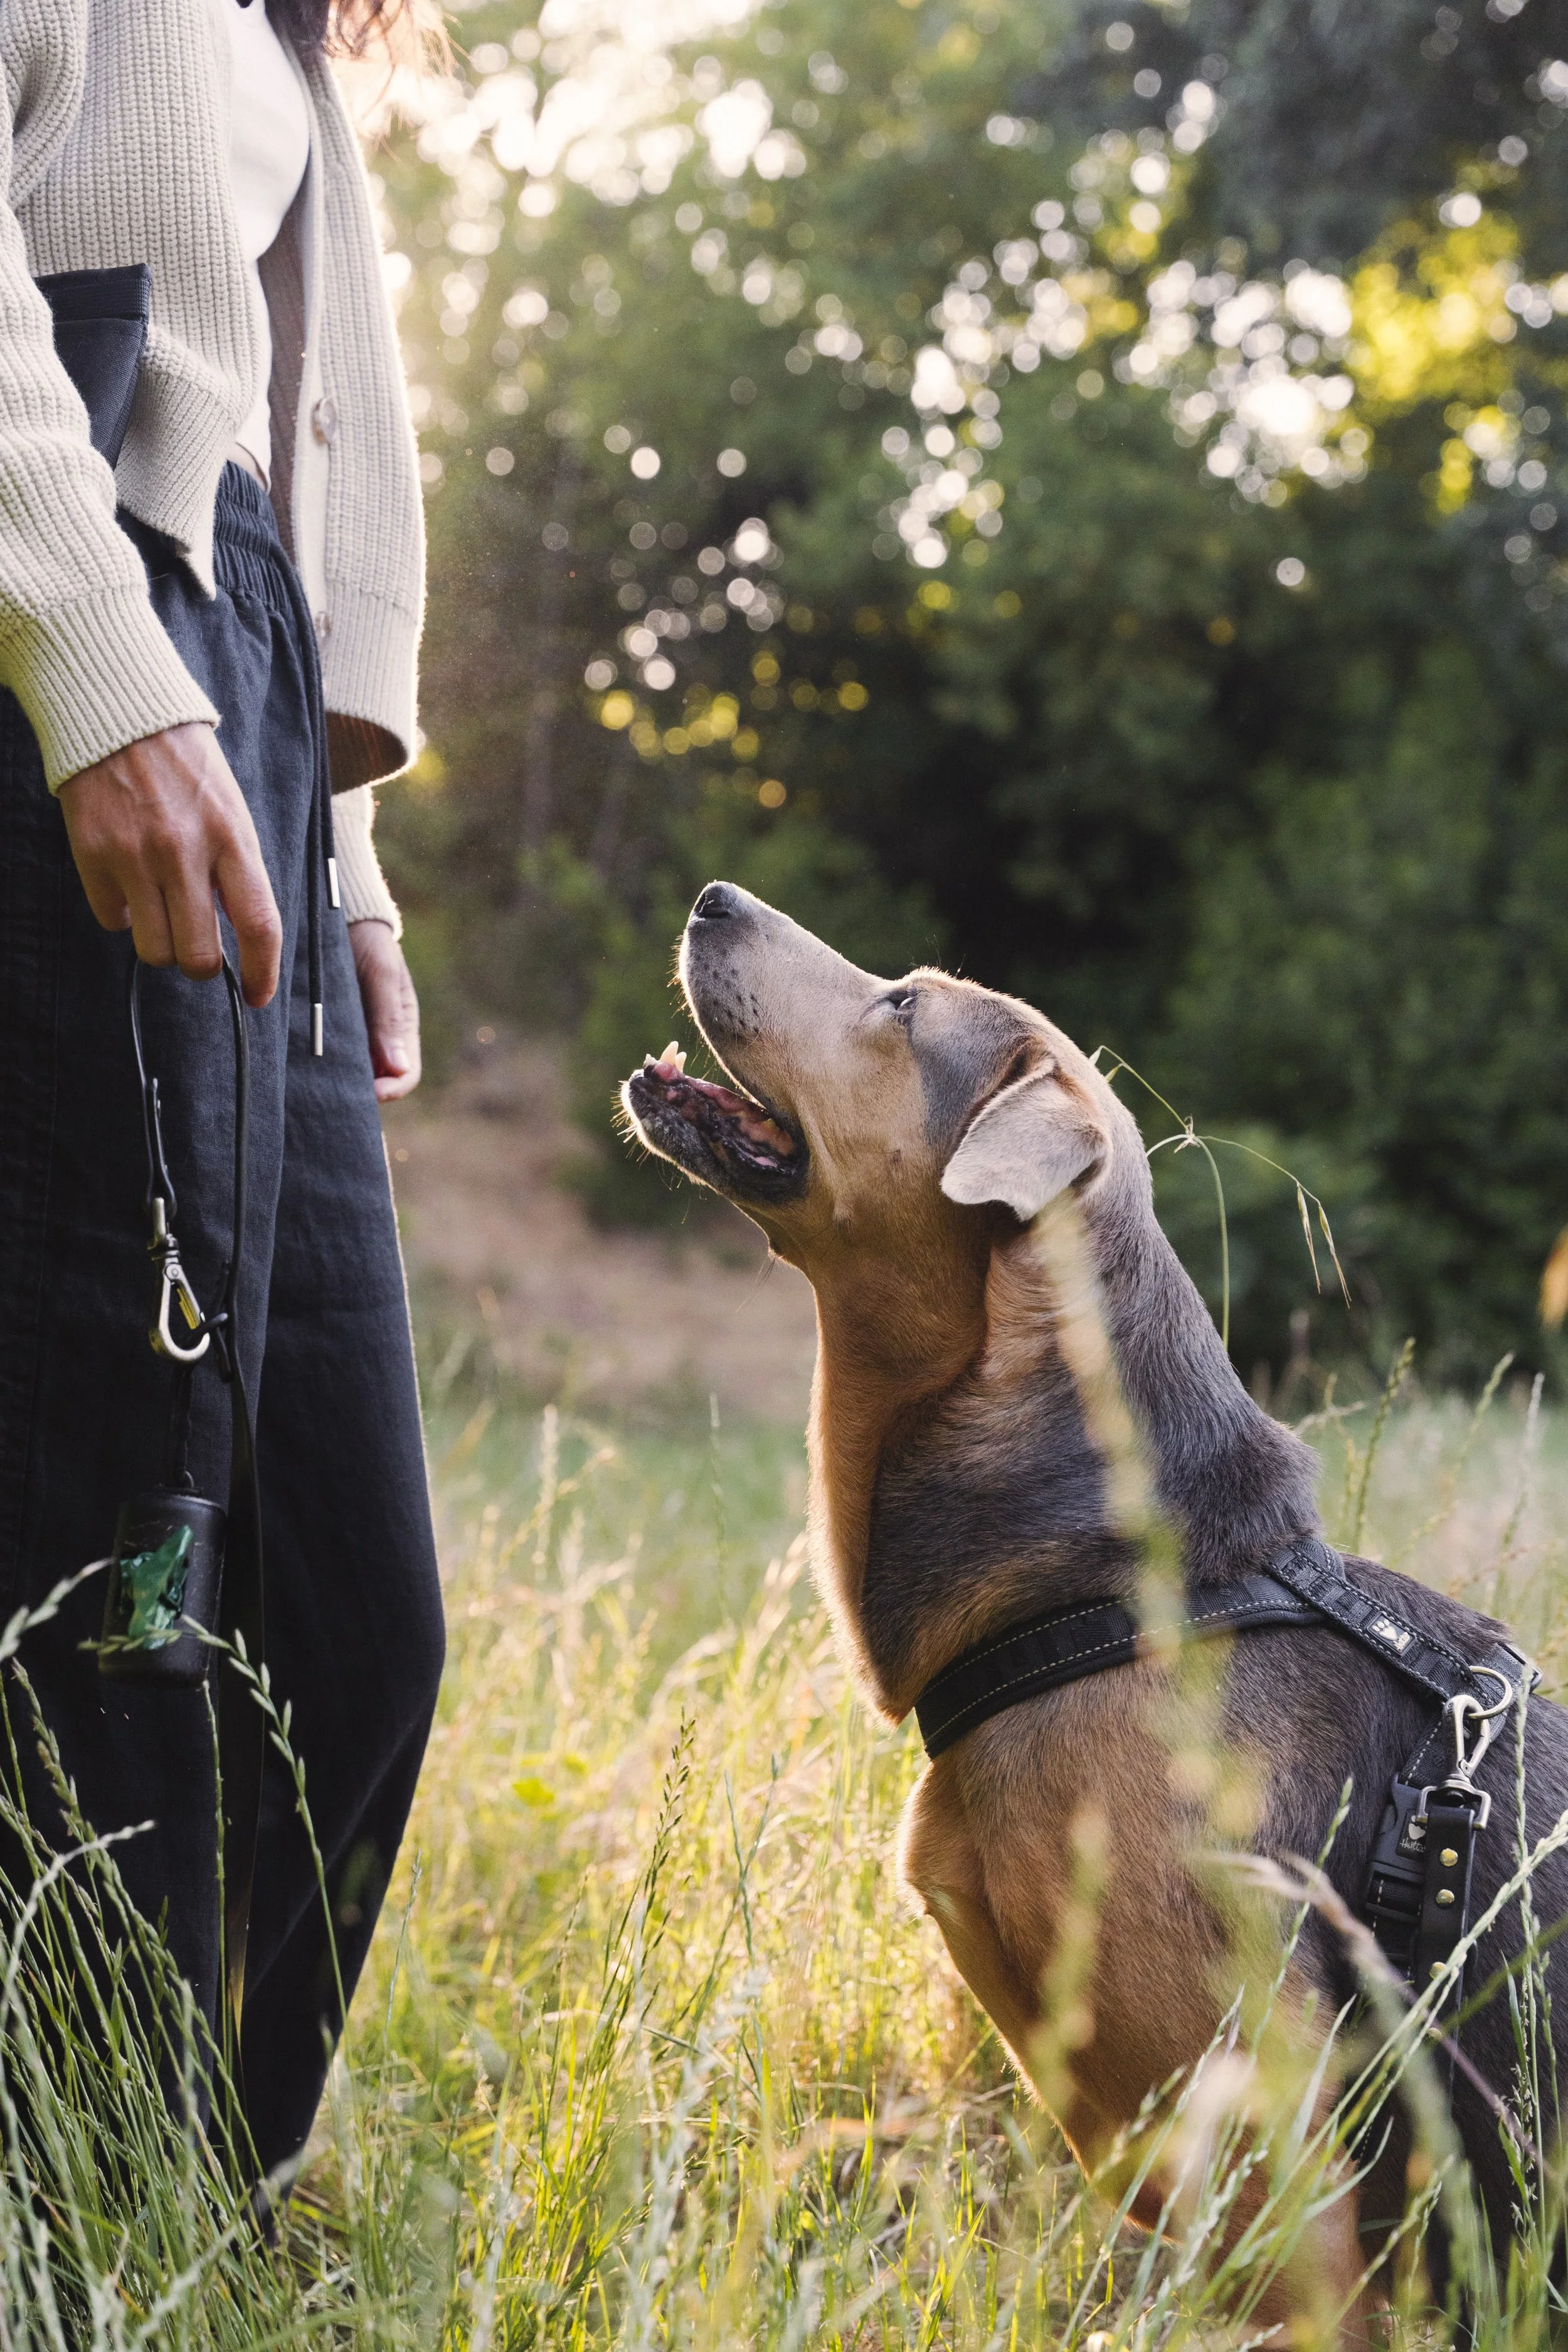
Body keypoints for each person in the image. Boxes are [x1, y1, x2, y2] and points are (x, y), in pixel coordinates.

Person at [0, 0, 445, 2179]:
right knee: (110, 1559)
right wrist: (92, 658)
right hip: (74, 636)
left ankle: (188, 2193)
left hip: (240, 698)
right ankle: (81, 2241)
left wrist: (350, 862)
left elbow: (281, 426)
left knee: (347, 1602)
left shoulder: (283, 23)